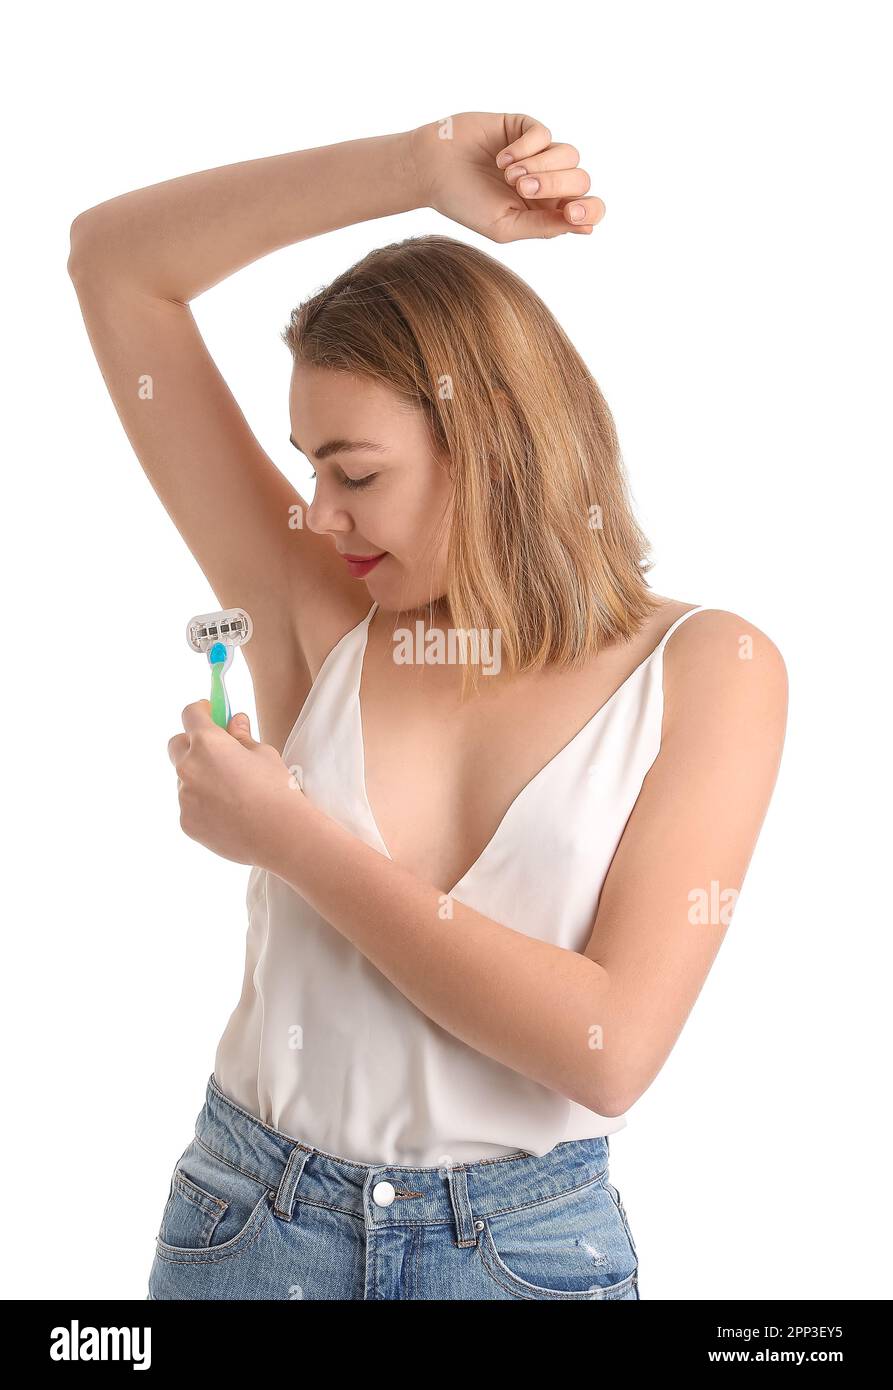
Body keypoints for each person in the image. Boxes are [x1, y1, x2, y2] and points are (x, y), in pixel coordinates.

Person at [68, 110, 788, 1301]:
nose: (318, 513)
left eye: (354, 473)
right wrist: (410, 170)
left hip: (520, 1256)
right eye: (307, 468)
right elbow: (114, 262)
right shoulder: (323, 612)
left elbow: (606, 1051)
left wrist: (291, 837)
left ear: (492, 447)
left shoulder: (708, 670)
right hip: (251, 1227)